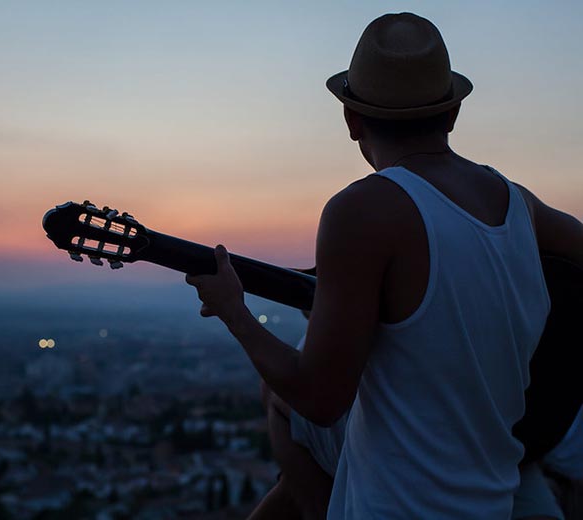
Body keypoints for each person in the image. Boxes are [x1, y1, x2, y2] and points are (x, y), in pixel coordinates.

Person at [185, 12, 583, 519]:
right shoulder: (519, 203)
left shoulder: (361, 211)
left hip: (396, 506)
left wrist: (233, 312)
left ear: (352, 121)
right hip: (493, 494)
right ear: (453, 114)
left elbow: (319, 396)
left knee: (282, 407)